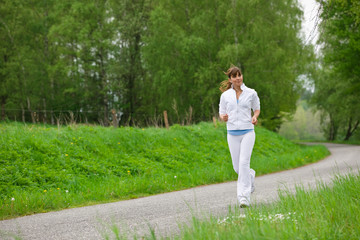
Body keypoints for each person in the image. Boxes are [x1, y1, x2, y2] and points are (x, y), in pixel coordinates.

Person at [218, 65, 260, 208]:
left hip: (248, 131)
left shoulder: (251, 93)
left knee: (243, 163)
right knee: (237, 168)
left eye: (240, 75)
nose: (238, 78)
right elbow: (221, 112)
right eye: (235, 76)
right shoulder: (225, 96)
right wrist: (223, 117)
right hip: (232, 133)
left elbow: (257, 108)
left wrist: (254, 116)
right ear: (230, 79)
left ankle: (244, 198)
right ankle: (250, 176)